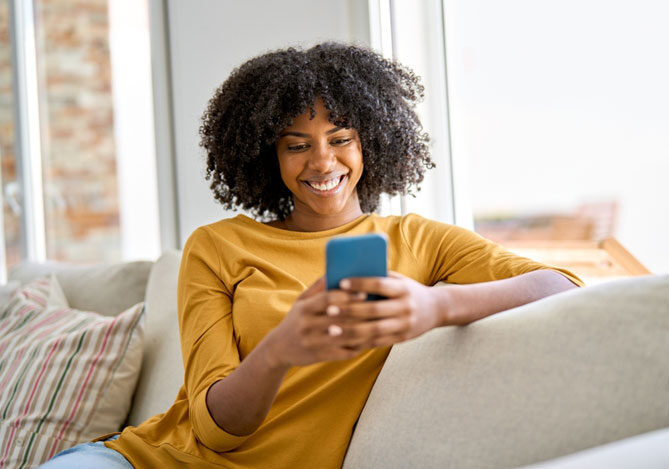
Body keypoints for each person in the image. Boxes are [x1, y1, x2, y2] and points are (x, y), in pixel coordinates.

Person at [41, 42, 581, 469]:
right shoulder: (217, 247)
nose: (323, 162)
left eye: (340, 137)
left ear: (372, 141)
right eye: (297, 145)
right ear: (267, 157)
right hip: (142, 460)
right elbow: (212, 430)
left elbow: (561, 286)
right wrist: (280, 349)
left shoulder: (419, 241)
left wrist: (436, 308)